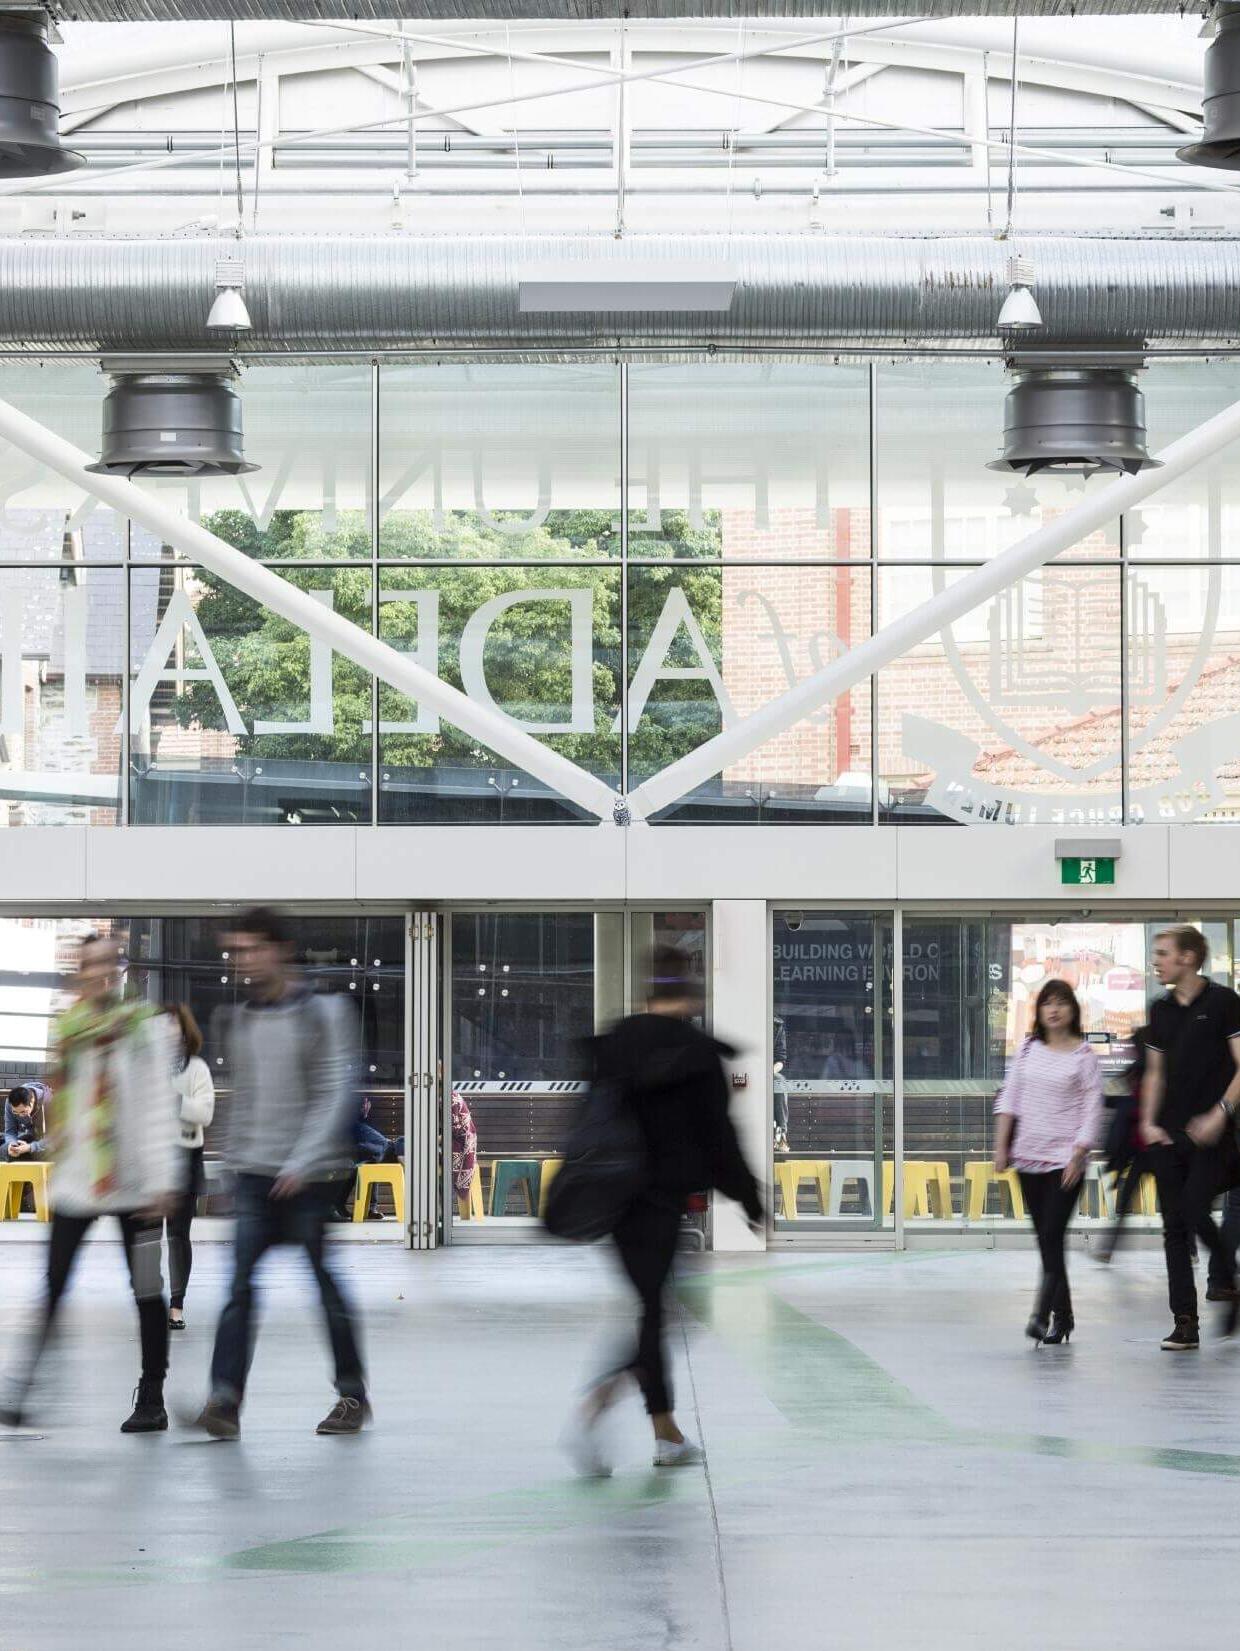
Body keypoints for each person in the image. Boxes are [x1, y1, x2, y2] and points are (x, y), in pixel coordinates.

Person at [564, 945, 762, 1477]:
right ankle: (622, 1412)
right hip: (663, 1203)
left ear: (649, 992)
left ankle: (661, 1429)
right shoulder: (697, 1055)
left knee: (653, 1311)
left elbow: (589, 1122)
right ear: (692, 995)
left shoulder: (616, 1045)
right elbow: (720, 1140)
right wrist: (749, 1197)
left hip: (614, 1205)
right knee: (659, 1313)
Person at [191, 906, 369, 1439]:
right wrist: (229, 1168)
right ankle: (224, 1401)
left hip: (309, 1181)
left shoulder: (325, 1013)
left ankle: (352, 1394)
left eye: (249, 950)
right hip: (253, 1178)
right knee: (239, 1289)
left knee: (324, 1287)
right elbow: (244, 1102)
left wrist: (301, 1162)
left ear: (279, 950)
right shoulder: (240, 1020)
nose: (241, 961)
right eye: (235, 952)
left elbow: (336, 1092)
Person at [0, 935, 179, 1433]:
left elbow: (160, 1106)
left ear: (119, 972)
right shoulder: (70, 1028)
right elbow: (60, 1100)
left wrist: (164, 1180)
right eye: (91, 965)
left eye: (109, 965)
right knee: (54, 1284)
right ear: (79, 971)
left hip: (137, 1183)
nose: (100, 974)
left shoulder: (146, 1028)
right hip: (80, 1183)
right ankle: (24, 1384)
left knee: (146, 1291)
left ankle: (152, 1398)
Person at [1142, 925, 1240, 1351]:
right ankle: (1185, 1322)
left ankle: (1227, 1276)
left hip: (1211, 1133)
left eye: (1163, 953)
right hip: (1168, 1134)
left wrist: (1221, 1113)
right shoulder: (1160, 1010)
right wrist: (1147, 1122)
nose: (1156, 960)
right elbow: (1154, 1073)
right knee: (1174, 1228)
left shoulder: (1223, 1003)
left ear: (1187, 957)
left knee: (1194, 1207)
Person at [993, 979, 1103, 1347]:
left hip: (1065, 1160)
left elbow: (1092, 1107)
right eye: (1047, 1004)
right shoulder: (1027, 1050)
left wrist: (1080, 1151)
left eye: (1061, 1003)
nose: (1054, 1010)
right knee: (1047, 1241)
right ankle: (1065, 1315)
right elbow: (1010, 1098)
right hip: (1027, 1156)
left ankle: (1041, 1314)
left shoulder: (1084, 1056)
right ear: (1039, 1011)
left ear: (1073, 1010)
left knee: (1053, 1235)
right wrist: (1000, 1146)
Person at [164, 1004, 215, 1331]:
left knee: (178, 1236)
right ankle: (147, 1301)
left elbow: (205, 1113)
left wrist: (173, 1101)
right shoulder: (146, 1066)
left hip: (184, 1158)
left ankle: (176, 1305)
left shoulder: (197, 1068)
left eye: (172, 1026)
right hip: (151, 1158)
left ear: (185, 1032)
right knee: (145, 1236)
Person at [1094, 1027, 1151, 1264]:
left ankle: (1108, 1249)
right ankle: (1108, 1248)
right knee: (1127, 1199)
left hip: (1154, 1148)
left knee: (1171, 1202)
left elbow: (1128, 1104)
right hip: (1141, 1150)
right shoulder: (1136, 1070)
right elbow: (1116, 1100)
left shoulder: (1148, 1071)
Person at [3, 1083, 50, 1162]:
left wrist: (30, 1147)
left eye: (23, 1112)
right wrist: (12, 1145)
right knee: (4, 1150)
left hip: (49, 1140)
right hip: (29, 1136)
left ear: (32, 1102)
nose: (20, 1116)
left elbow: (56, 1137)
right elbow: (10, 1131)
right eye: (15, 1112)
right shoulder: (10, 1102)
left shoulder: (49, 1102)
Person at [772, 1016, 789, 1153]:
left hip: (768, 1072)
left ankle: (781, 1135)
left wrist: (768, 1072)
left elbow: (780, 1059)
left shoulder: (777, 1026)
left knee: (778, 1080)